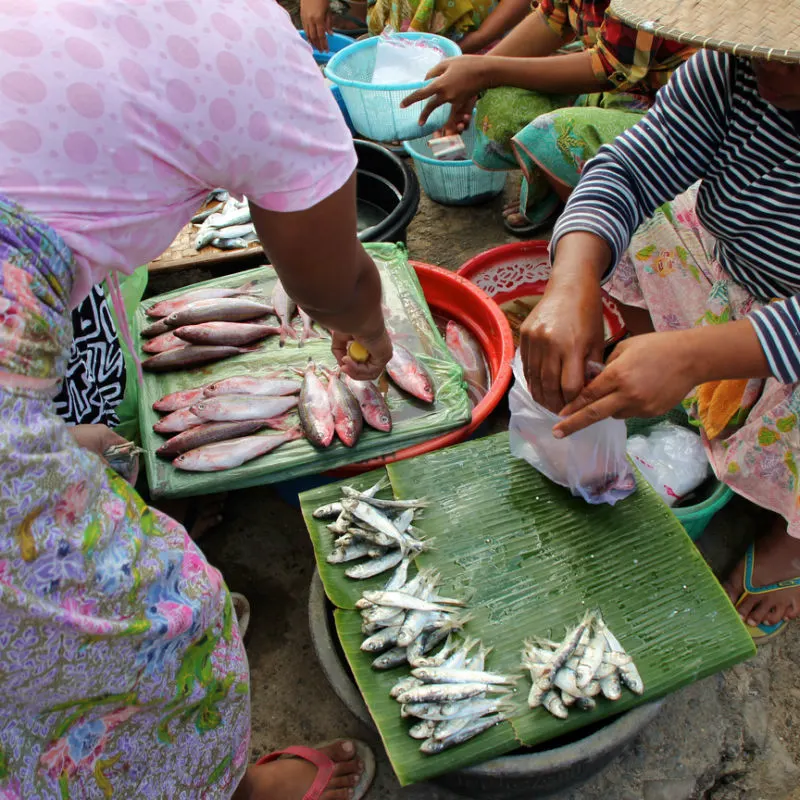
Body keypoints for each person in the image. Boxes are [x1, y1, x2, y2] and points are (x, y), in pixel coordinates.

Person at [0, 1, 392, 797]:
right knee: (178, 612)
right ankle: (212, 783)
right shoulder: (252, 48)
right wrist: (368, 336)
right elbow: (334, 283)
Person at [520, 0, 800, 641]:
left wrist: (696, 357)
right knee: (639, 221)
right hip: (735, 267)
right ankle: (659, 363)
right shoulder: (733, 72)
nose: (767, 64)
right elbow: (628, 170)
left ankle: (793, 538)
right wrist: (570, 285)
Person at [402, 0, 693, 233]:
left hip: (669, 115)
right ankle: (557, 189)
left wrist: (484, 70)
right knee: (500, 103)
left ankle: (602, 227)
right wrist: (477, 78)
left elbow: (607, 68)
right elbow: (552, 18)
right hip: (608, 93)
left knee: (559, 133)